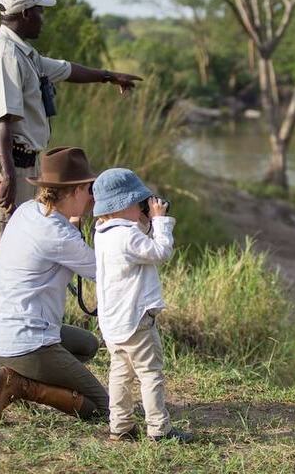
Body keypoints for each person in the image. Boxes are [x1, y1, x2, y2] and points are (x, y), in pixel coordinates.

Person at [0, 0, 143, 345]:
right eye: (40, 12)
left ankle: (13, 328)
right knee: (1, 244)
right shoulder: (4, 54)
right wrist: (7, 178)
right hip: (7, 162)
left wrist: (109, 76)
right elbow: (2, 123)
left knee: (20, 242)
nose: (43, 19)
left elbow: (64, 70)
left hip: (22, 162)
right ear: (25, 14)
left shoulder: (23, 53)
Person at [0, 147, 109, 422]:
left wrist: (75, 223)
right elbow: (106, 272)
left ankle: (13, 376)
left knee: (86, 345)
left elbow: (57, 243)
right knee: (103, 408)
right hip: (23, 343)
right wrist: (115, 228)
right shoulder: (60, 236)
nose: (92, 197)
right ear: (74, 191)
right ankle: (22, 386)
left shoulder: (28, 211)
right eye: (89, 189)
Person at [92, 168, 192, 442]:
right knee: (150, 374)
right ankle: (160, 429)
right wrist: (159, 222)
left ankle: (120, 426)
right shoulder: (128, 236)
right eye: (140, 203)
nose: (144, 207)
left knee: (120, 374)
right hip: (136, 320)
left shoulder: (102, 232)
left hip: (114, 322)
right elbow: (161, 252)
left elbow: (135, 245)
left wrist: (144, 223)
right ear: (126, 204)